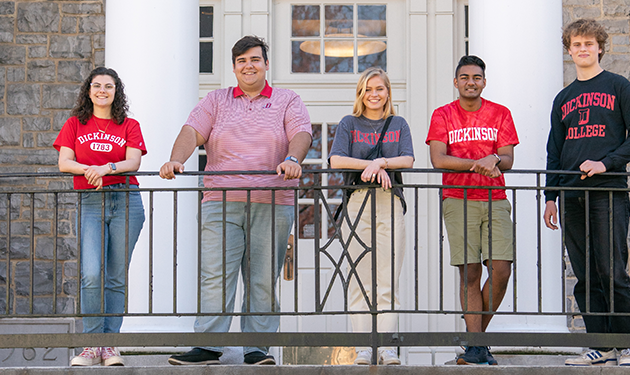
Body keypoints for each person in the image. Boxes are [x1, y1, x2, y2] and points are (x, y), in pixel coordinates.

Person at [161, 36, 312, 366]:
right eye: (242, 61)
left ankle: (256, 348)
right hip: (221, 201)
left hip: (272, 200)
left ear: (266, 64)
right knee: (216, 274)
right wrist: (176, 159)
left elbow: (302, 133)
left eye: (255, 59)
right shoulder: (216, 100)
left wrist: (293, 158)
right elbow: (192, 131)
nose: (249, 66)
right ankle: (209, 345)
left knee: (262, 276)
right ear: (233, 67)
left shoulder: (288, 100)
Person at [544, 19, 630, 367]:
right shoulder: (564, 98)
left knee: (613, 270)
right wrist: (550, 197)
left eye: (589, 43)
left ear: (600, 47)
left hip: (607, 192)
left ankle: (628, 346)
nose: (583, 49)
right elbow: (554, 152)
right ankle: (602, 347)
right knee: (585, 275)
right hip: (572, 196)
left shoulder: (619, 87)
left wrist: (607, 163)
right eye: (576, 45)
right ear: (569, 50)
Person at [426, 55, 519, 366]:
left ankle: (474, 342)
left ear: (484, 81)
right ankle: (478, 348)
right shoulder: (443, 115)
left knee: (501, 269)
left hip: (495, 199)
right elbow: (438, 159)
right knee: (470, 272)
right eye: (464, 77)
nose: (470, 82)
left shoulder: (500, 113)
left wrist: (495, 160)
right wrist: (482, 163)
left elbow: (507, 159)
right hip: (458, 198)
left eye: (476, 77)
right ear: (456, 82)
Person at [54, 67, 147, 367]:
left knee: (116, 277)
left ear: (116, 91)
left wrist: (105, 169)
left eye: (109, 86)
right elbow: (64, 162)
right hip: (92, 201)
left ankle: (110, 346)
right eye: (97, 85)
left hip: (125, 199)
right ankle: (91, 345)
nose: (102, 91)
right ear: (89, 90)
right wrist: (89, 171)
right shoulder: (75, 124)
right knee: (92, 273)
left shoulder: (129, 125)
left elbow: (133, 161)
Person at [329, 67, 414, 366]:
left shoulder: (398, 124)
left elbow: (408, 159)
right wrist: (372, 167)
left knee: (388, 279)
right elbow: (336, 159)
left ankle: (387, 347)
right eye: (368, 89)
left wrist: (380, 162)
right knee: (358, 279)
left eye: (379, 88)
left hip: (389, 203)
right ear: (361, 94)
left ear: (388, 92)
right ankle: (364, 347)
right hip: (358, 203)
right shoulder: (349, 123)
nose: (374, 94)